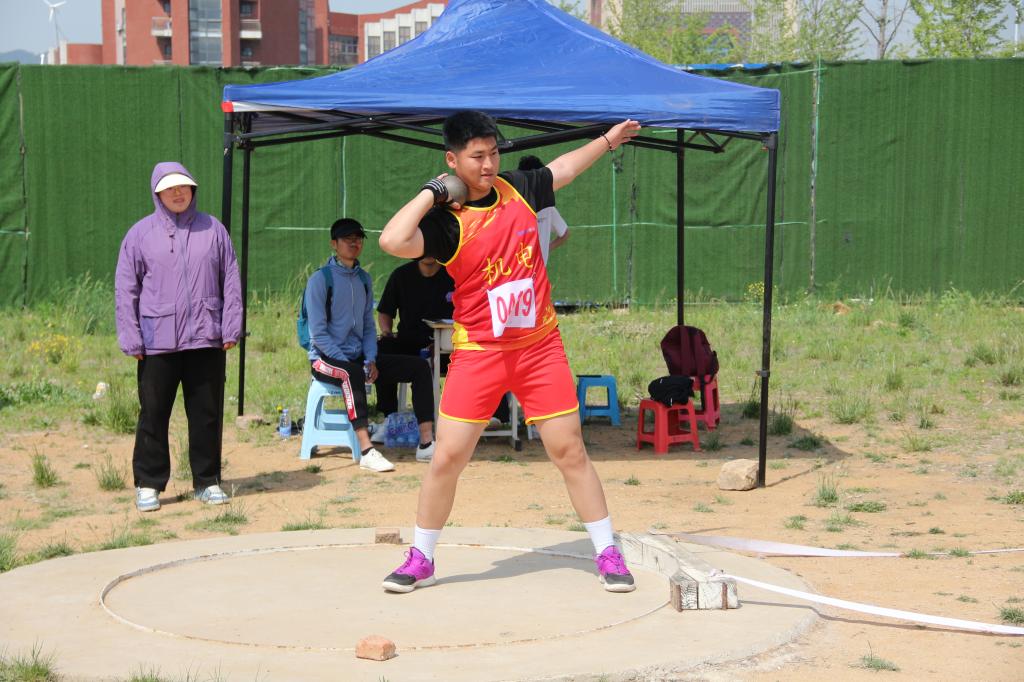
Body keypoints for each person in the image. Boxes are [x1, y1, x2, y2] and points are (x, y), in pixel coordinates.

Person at [378, 111, 641, 593]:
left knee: (569, 450)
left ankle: (606, 552)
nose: (488, 164)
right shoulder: (446, 224)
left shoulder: (519, 187)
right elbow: (392, 240)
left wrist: (608, 140)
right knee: (446, 458)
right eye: (476, 156)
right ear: (452, 160)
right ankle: (421, 557)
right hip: (479, 352)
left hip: (539, 348)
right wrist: (432, 192)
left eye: (494, 153)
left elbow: (565, 168)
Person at [115, 162, 242, 513]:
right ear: (157, 193)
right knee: (153, 414)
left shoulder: (213, 230)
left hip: (206, 338)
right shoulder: (140, 235)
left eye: (183, 186)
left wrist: (230, 326)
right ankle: (148, 484)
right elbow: (126, 288)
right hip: (157, 342)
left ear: (192, 190)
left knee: (206, 414)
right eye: (169, 188)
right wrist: (131, 337)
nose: (177, 192)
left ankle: (207, 481)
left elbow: (231, 280)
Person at [305, 218, 437, 471]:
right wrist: (349, 362)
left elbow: (368, 327)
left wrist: (371, 359)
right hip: (324, 359)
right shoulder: (320, 280)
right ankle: (367, 451)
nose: (354, 243)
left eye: (358, 238)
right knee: (352, 373)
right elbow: (318, 335)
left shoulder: (364, 280)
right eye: (347, 239)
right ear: (334, 244)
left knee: (419, 367)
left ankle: (426, 443)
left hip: (357, 358)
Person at [517, 155, 570, 263]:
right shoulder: (546, 207)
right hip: (521, 271)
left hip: (527, 271)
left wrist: (545, 250)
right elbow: (565, 234)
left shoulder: (547, 208)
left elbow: (564, 233)